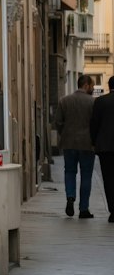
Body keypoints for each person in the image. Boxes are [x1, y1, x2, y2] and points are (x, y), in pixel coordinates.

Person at [54, 74, 97, 217]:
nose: (93, 88)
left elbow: (58, 122)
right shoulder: (93, 102)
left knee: (70, 172)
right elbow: (96, 124)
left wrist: (65, 133)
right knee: (86, 175)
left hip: (69, 143)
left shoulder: (64, 101)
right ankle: (83, 209)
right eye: (92, 86)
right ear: (86, 85)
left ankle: (70, 197)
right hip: (87, 144)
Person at [90, 75, 114, 224]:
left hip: (105, 147)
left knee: (109, 179)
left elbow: (94, 124)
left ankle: (113, 210)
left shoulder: (100, 101)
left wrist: (94, 142)